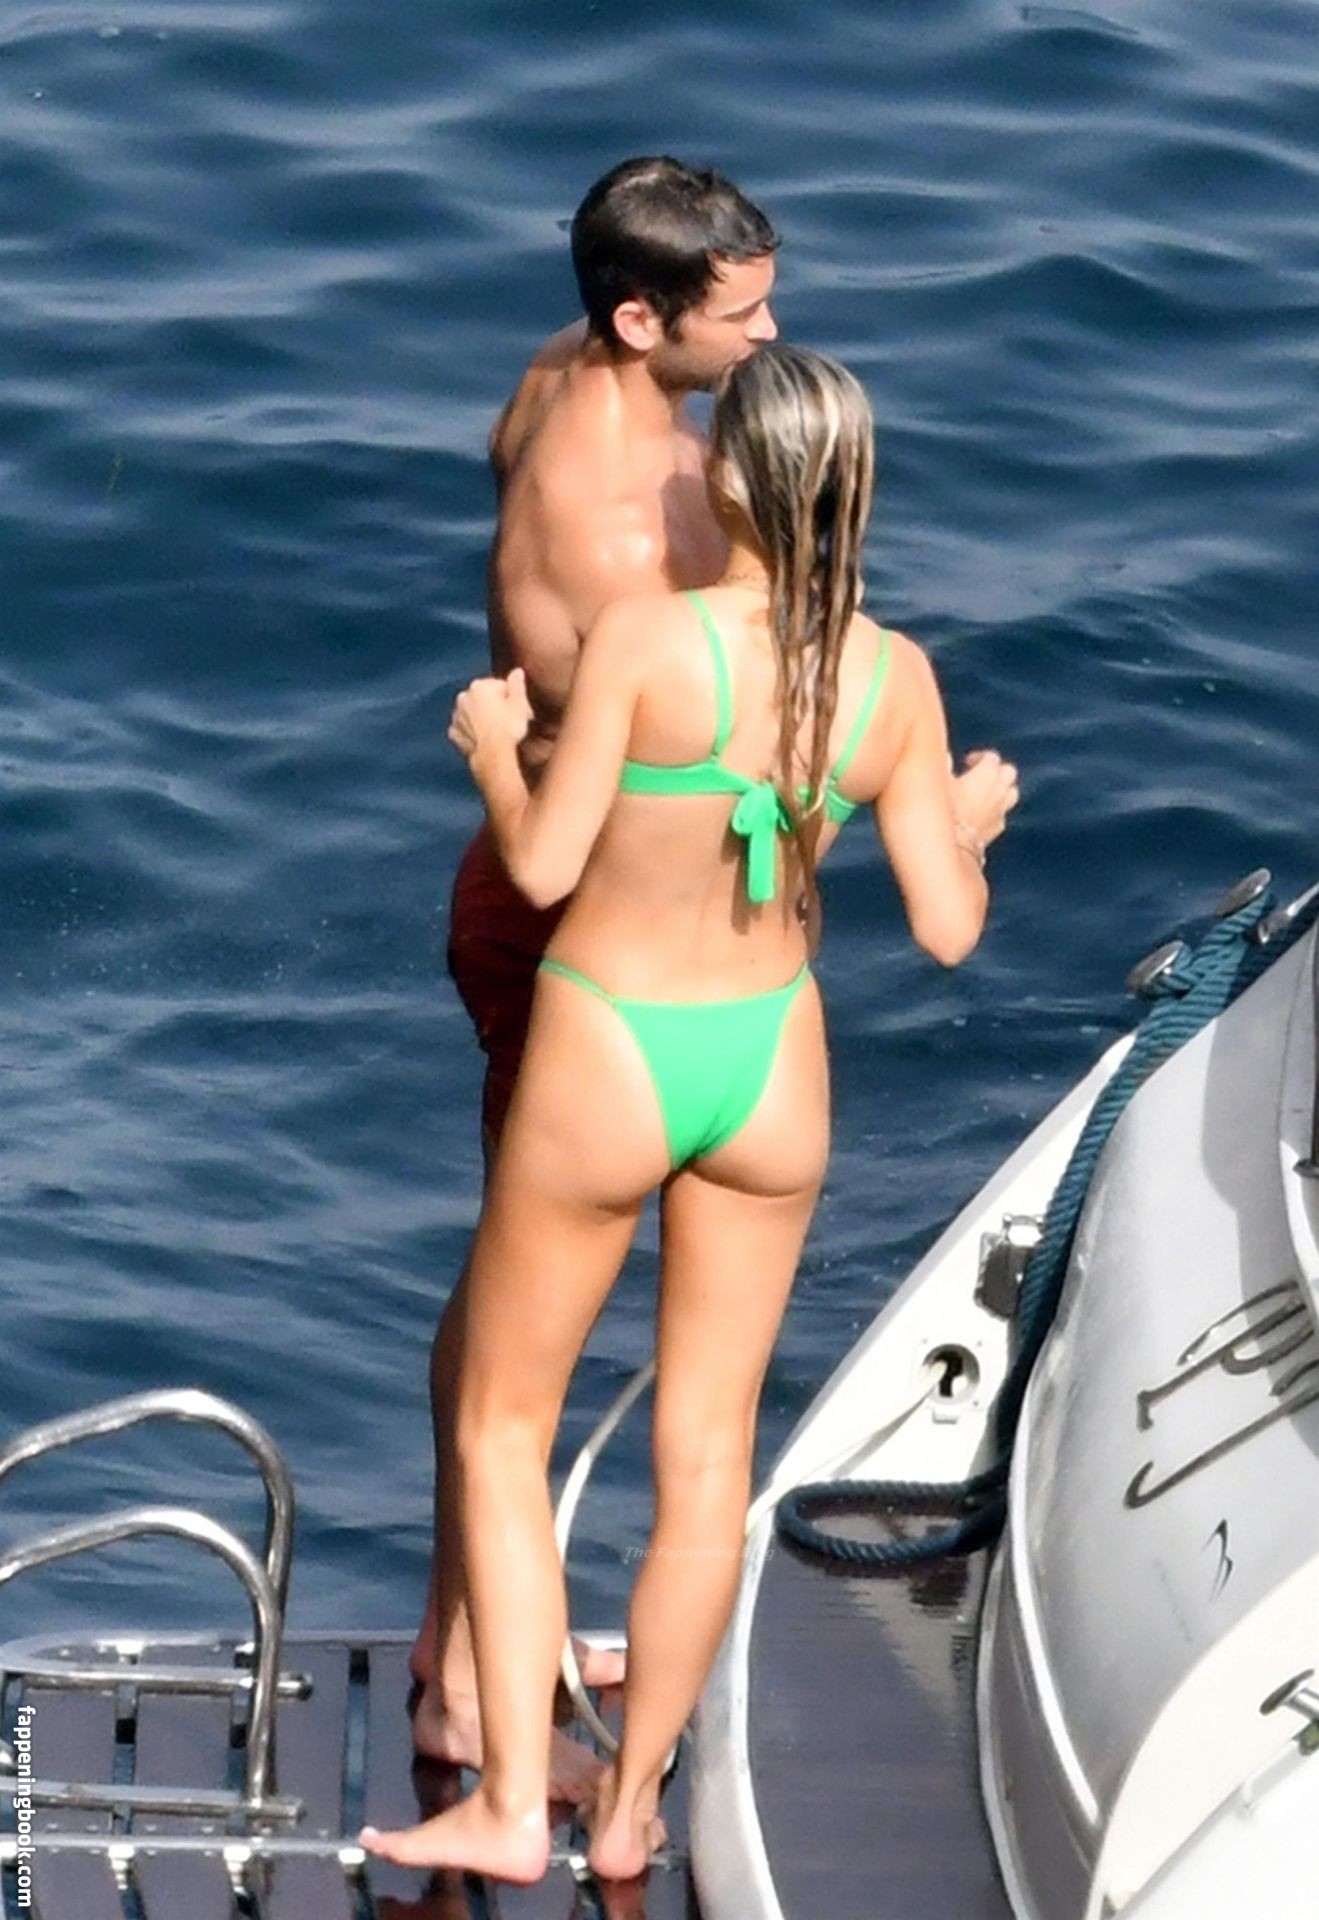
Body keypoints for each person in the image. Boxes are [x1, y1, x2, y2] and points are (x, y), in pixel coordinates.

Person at [367, 344, 1019, 1885]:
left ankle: (512, 1806)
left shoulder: (650, 641)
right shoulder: (893, 678)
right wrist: (967, 826)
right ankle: (631, 1809)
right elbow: (947, 929)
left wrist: (490, 756)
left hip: (614, 1047)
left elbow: (541, 864)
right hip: (770, 1065)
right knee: (708, 1455)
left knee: (503, 1424)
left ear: (727, 479)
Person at [411, 156, 780, 1795]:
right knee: (520, 1324)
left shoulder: (556, 370)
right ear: (642, 319)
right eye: (741, 315)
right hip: (567, 913)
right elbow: (645, 773)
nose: (768, 336)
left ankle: (476, 1639)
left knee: (516, 1297)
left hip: (561, 894)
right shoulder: (638, 532)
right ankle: (465, 1690)